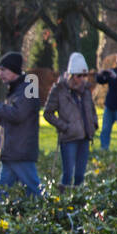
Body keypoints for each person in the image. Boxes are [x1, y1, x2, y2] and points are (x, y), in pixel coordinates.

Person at [0, 51, 43, 201]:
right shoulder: (15, 89)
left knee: (34, 191)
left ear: (14, 70)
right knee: (2, 192)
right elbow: (9, 118)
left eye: (3, 70)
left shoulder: (29, 89)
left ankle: (49, 210)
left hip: (21, 152)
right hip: (11, 151)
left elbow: (18, 114)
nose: (0, 74)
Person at [43, 52, 99, 188]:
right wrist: (64, 127)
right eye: (79, 75)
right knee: (68, 174)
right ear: (72, 75)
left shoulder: (86, 90)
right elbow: (48, 113)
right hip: (69, 138)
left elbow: (91, 109)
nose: (83, 79)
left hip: (85, 137)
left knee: (80, 175)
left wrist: (94, 123)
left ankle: (77, 199)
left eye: (85, 75)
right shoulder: (59, 90)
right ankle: (64, 199)